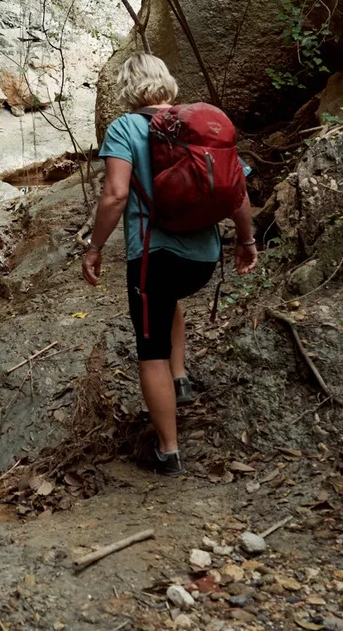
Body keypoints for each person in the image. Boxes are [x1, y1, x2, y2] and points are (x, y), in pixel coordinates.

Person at [81, 53, 258, 476]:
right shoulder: (197, 125)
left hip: (154, 259)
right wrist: (247, 240)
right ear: (166, 82)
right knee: (168, 303)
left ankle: (168, 451)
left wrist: (94, 246)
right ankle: (180, 380)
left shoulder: (125, 127)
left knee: (150, 351)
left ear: (127, 89)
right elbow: (237, 189)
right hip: (203, 259)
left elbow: (115, 195)